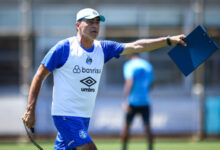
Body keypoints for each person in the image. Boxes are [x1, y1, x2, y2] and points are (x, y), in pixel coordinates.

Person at [22, 8, 186, 150]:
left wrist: (168, 40)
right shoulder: (64, 48)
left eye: (97, 22)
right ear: (77, 25)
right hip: (65, 116)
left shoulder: (103, 49)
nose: (95, 26)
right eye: (90, 22)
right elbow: (39, 75)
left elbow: (137, 45)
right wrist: (30, 110)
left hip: (84, 117)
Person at [121, 53, 154, 150]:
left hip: (132, 101)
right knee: (148, 127)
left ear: (129, 56)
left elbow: (129, 82)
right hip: (145, 101)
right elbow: (151, 84)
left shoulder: (129, 65)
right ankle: (150, 148)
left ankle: (124, 148)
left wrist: (125, 100)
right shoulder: (148, 65)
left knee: (127, 127)